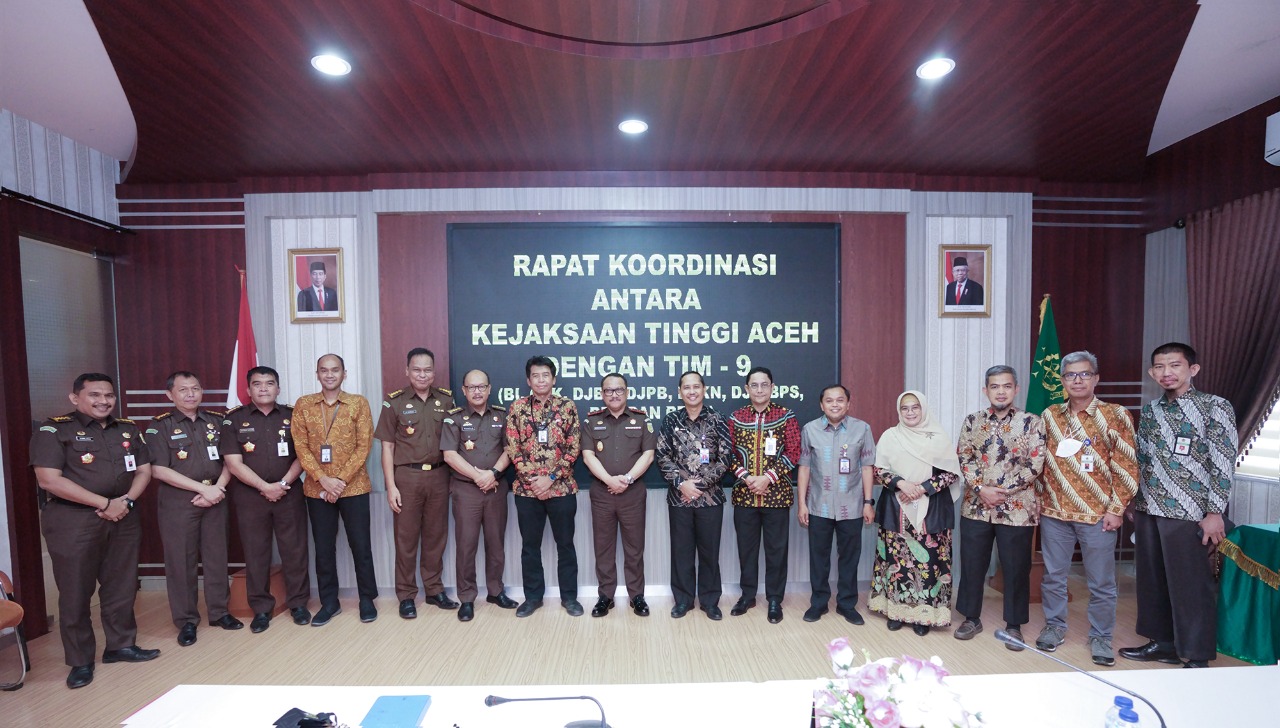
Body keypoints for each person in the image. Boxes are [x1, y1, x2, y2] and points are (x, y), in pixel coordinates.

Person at [30, 373, 161, 689]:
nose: (103, 401)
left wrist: (125, 501)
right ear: (75, 397)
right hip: (73, 521)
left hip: (123, 516)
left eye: (109, 395)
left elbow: (144, 470)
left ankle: (120, 646)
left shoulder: (127, 429)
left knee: (122, 585)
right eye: (94, 395)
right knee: (75, 592)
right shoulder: (53, 430)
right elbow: (48, 479)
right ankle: (80, 661)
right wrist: (104, 502)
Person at [1120, 342, 1237, 669]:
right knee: (1152, 581)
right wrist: (1132, 498)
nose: (1167, 373)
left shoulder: (1215, 407)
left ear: (1192, 369)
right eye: (1160, 367)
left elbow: (1224, 462)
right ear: (1151, 372)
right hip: (1149, 509)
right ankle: (1163, 643)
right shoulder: (1152, 410)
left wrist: (1215, 512)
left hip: (1190, 512)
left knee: (1190, 585)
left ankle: (1197, 654)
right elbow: (1140, 458)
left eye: (1175, 365)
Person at [1038, 352, 1138, 666]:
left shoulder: (1115, 414)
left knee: (1101, 582)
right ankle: (1054, 627)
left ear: (1095, 378)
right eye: (1070, 375)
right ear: (1063, 381)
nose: (1077, 380)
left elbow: (1127, 466)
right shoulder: (1050, 415)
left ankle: (1101, 636)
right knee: (1053, 576)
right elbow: (1038, 463)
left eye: (1084, 374)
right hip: (1055, 513)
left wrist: (1117, 509)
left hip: (1099, 516)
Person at [146, 371, 243, 646]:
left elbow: (230, 461)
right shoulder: (159, 426)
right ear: (170, 395)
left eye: (195, 388)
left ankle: (219, 612)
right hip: (179, 502)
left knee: (217, 556)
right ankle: (186, 620)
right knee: (181, 562)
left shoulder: (217, 421)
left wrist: (218, 488)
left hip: (216, 495)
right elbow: (158, 470)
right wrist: (203, 490)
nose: (190, 394)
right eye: (183, 389)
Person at [954, 365, 1046, 650]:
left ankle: (1014, 625)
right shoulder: (972, 421)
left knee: (1016, 568)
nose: (1001, 391)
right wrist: (982, 489)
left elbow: (1035, 463)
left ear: (1016, 389)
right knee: (972, 565)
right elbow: (964, 457)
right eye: (995, 386)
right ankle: (971, 617)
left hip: (1017, 508)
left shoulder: (1032, 422)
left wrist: (1002, 492)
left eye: (1007, 386)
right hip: (976, 506)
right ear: (986, 390)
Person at [220, 366, 312, 632]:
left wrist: (282, 484)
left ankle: (298, 603)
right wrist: (264, 487)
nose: (263, 388)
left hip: (289, 493)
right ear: (248, 390)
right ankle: (261, 608)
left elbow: (302, 456)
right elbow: (233, 463)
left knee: (295, 551)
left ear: (278, 389)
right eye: (257, 384)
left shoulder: (293, 416)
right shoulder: (233, 419)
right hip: (250, 497)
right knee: (256, 553)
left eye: (269, 383)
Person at [291, 353, 377, 626]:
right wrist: (322, 479)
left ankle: (367, 599)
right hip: (317, 490)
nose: (329, 375)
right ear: (317, 374)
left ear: (344, 373)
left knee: (360, 545)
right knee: (324, 548)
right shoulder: (304, 405)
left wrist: (338, 480)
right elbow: (300, 447)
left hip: (354, 487)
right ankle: (330, 603)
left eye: (335, 370)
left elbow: (364, 446)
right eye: (324, 370)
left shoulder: (358, 404)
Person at [868, 391, 963, 636]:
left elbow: (951, 472)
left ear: (923, 409)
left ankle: (924, 616)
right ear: (899, 411)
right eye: (905, 408)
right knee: (895, 561)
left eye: (915, 408)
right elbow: (878, 470)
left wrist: (922, 488)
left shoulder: (938, 436)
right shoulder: (891, 436)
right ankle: (896, 612)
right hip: (896, 505)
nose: (910, 412)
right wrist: (901, 484)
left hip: (930, 507)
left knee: (929, 562)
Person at [375, 348, 458, 619]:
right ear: (407, 371)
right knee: (406, 539)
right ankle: (407, 595)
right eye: (417, 369)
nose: (422, 375)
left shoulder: (446, 400)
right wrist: (391, 486)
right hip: (407, 477)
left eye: (427, 370)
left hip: (439, 475)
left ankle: (434, 590)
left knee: (436, 537)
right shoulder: (393, 402)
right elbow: (386, 448)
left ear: (434, 372)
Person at [504, 355, 582, 617]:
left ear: (554, 379)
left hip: (561, 489)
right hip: (527, 492)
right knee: (530, 547)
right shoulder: (517, 408)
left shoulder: (567, 407)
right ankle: (533, 598)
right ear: (528, 380)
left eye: (545, 375)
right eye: (535, 375)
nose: (540, 380)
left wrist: (549, 479)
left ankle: (569, 598)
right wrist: (534, 481)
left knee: (566, 546)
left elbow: (573, 448)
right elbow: (512, 448)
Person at [441, 369, 517, 622]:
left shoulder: (502, 416)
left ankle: (496, 591)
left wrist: (493, 474)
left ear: (489, 388)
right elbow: (450, 455)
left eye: (481, 387)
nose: (477, 391)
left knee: (496, 544)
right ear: (463, 390)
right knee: (466, 545)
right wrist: (478, 477)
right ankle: (467, 598)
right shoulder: (454, 419)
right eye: (471, 387)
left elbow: (510, 449)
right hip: (466, 491)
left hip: (495, 488)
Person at [796, 384, 876, 625]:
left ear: (848, 404)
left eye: (840, 400)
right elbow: (805, 467)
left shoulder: (862, 429)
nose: (834, 404)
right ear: (822, 405)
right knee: (818, 557)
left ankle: (847, 604)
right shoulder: (810, 429)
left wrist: (868, 502)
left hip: (851, 505)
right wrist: (802, 504)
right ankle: (818, 603)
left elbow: (867, 467)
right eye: (829, 401)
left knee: (849, 557)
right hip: (818, 505)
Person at [657, 370, 733, 620]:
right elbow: (662, 456)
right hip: (679, 498)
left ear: (704, 390)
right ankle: (683, 600)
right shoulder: (670, 421)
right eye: (686, 387)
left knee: (710, 552)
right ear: (679, 392)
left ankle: (710, 601)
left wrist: (698, 486)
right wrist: (682, 484)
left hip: (710, 499)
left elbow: (725, 459)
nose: (691, 391)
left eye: (696, 387)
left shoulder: (717, 419)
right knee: (681, 551)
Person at [727, 366, 801, 624]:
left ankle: (774, 600)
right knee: (746, 550)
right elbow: (728, 455)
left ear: (772, 387)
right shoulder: (736, 418)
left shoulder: (785, 415)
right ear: (746, 389)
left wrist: (768, 478)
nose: (759, 389)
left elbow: (793, 452)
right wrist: (747, 478)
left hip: (777, 497)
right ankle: (747, 596)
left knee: (776, 551)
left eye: (764, 385)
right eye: (754, 385)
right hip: (745, 496)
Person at [581, 372, 658, 618]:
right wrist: (609, 480)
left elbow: (648, 455)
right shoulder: (591, 422)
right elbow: (587, 455)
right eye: (608, 391)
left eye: (619, 390)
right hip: (602, 494)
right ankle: (606, 596)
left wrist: (627, 480)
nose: (614, 395)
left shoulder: (642, 420)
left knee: (634, 548)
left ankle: (637, 596)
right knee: (603, 548)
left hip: (633, 493)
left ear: (627, 392)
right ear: (602, 394)